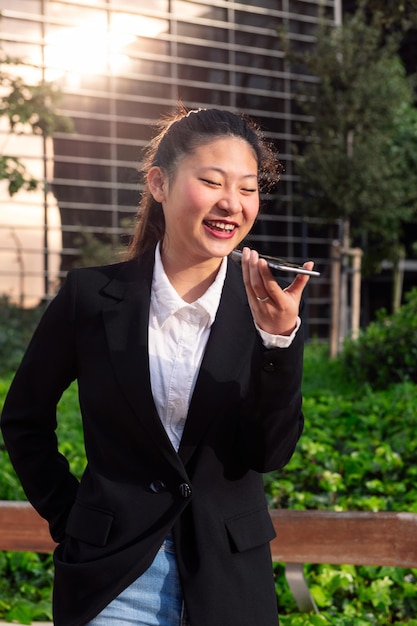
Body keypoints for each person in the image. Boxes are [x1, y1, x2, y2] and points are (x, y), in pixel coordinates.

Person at [1, 106, 314, 626]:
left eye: (247, 188)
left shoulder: (265, 307)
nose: (231, 204)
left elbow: (271, 451)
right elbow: (23, 420)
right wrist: (72, 517)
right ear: (159, 184)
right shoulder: (90, 298)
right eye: (211, 182)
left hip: (228, 579)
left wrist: (278, 342)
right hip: (115, 578)